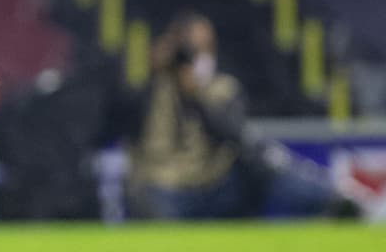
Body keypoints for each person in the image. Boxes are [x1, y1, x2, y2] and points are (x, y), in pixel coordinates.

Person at [119, 12, 352, 219]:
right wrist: (150, 73)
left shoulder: (222, 87)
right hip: (165, 187)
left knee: (265, 165)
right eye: (190, 48)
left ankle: (338, 202)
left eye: (205, 47)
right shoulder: (152, 89)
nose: (198, 56)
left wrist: (195, 96)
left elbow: (232, 134)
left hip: (215, 184)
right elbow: (116, 121)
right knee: (146, 197)